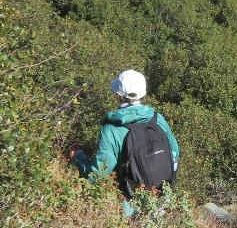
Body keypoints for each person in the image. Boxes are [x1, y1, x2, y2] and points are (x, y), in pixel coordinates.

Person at [71, 70, 179, 216]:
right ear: (143, 94)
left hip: (131, 208)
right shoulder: (157, 119)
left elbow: (98, 174)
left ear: (119, 96)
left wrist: (78, 157)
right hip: (163, 200)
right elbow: (175, 154)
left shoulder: (111, 129)